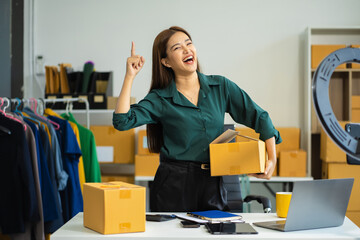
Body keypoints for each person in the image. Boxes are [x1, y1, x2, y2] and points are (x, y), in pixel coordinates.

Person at [113, 26, 282, 212]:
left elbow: (260, 117)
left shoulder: (220, 86)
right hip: (174, 184)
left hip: (213, 181)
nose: (186, 49)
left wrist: (272, 159)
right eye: (177, 48)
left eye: (189, 43)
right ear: (166, 62)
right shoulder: (160, 98)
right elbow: (122, 121)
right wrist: (130, 76)